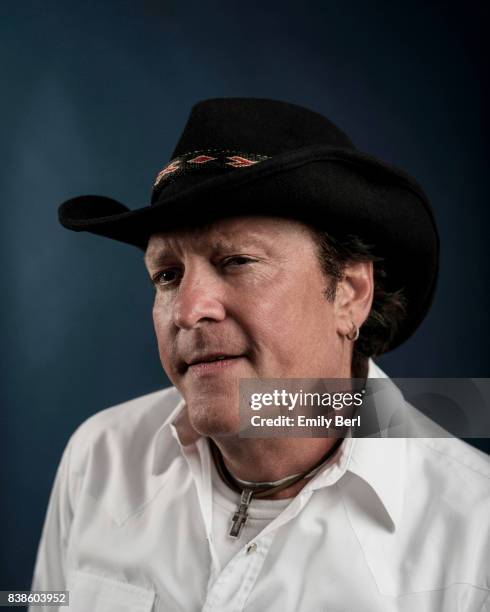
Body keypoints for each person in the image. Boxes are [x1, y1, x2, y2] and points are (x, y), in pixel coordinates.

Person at [31, 98, 489, 611]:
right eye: (167, 274)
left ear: (351, 293)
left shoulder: (475, 533)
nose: (187, 310)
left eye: (237, 261)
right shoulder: (99, 458)